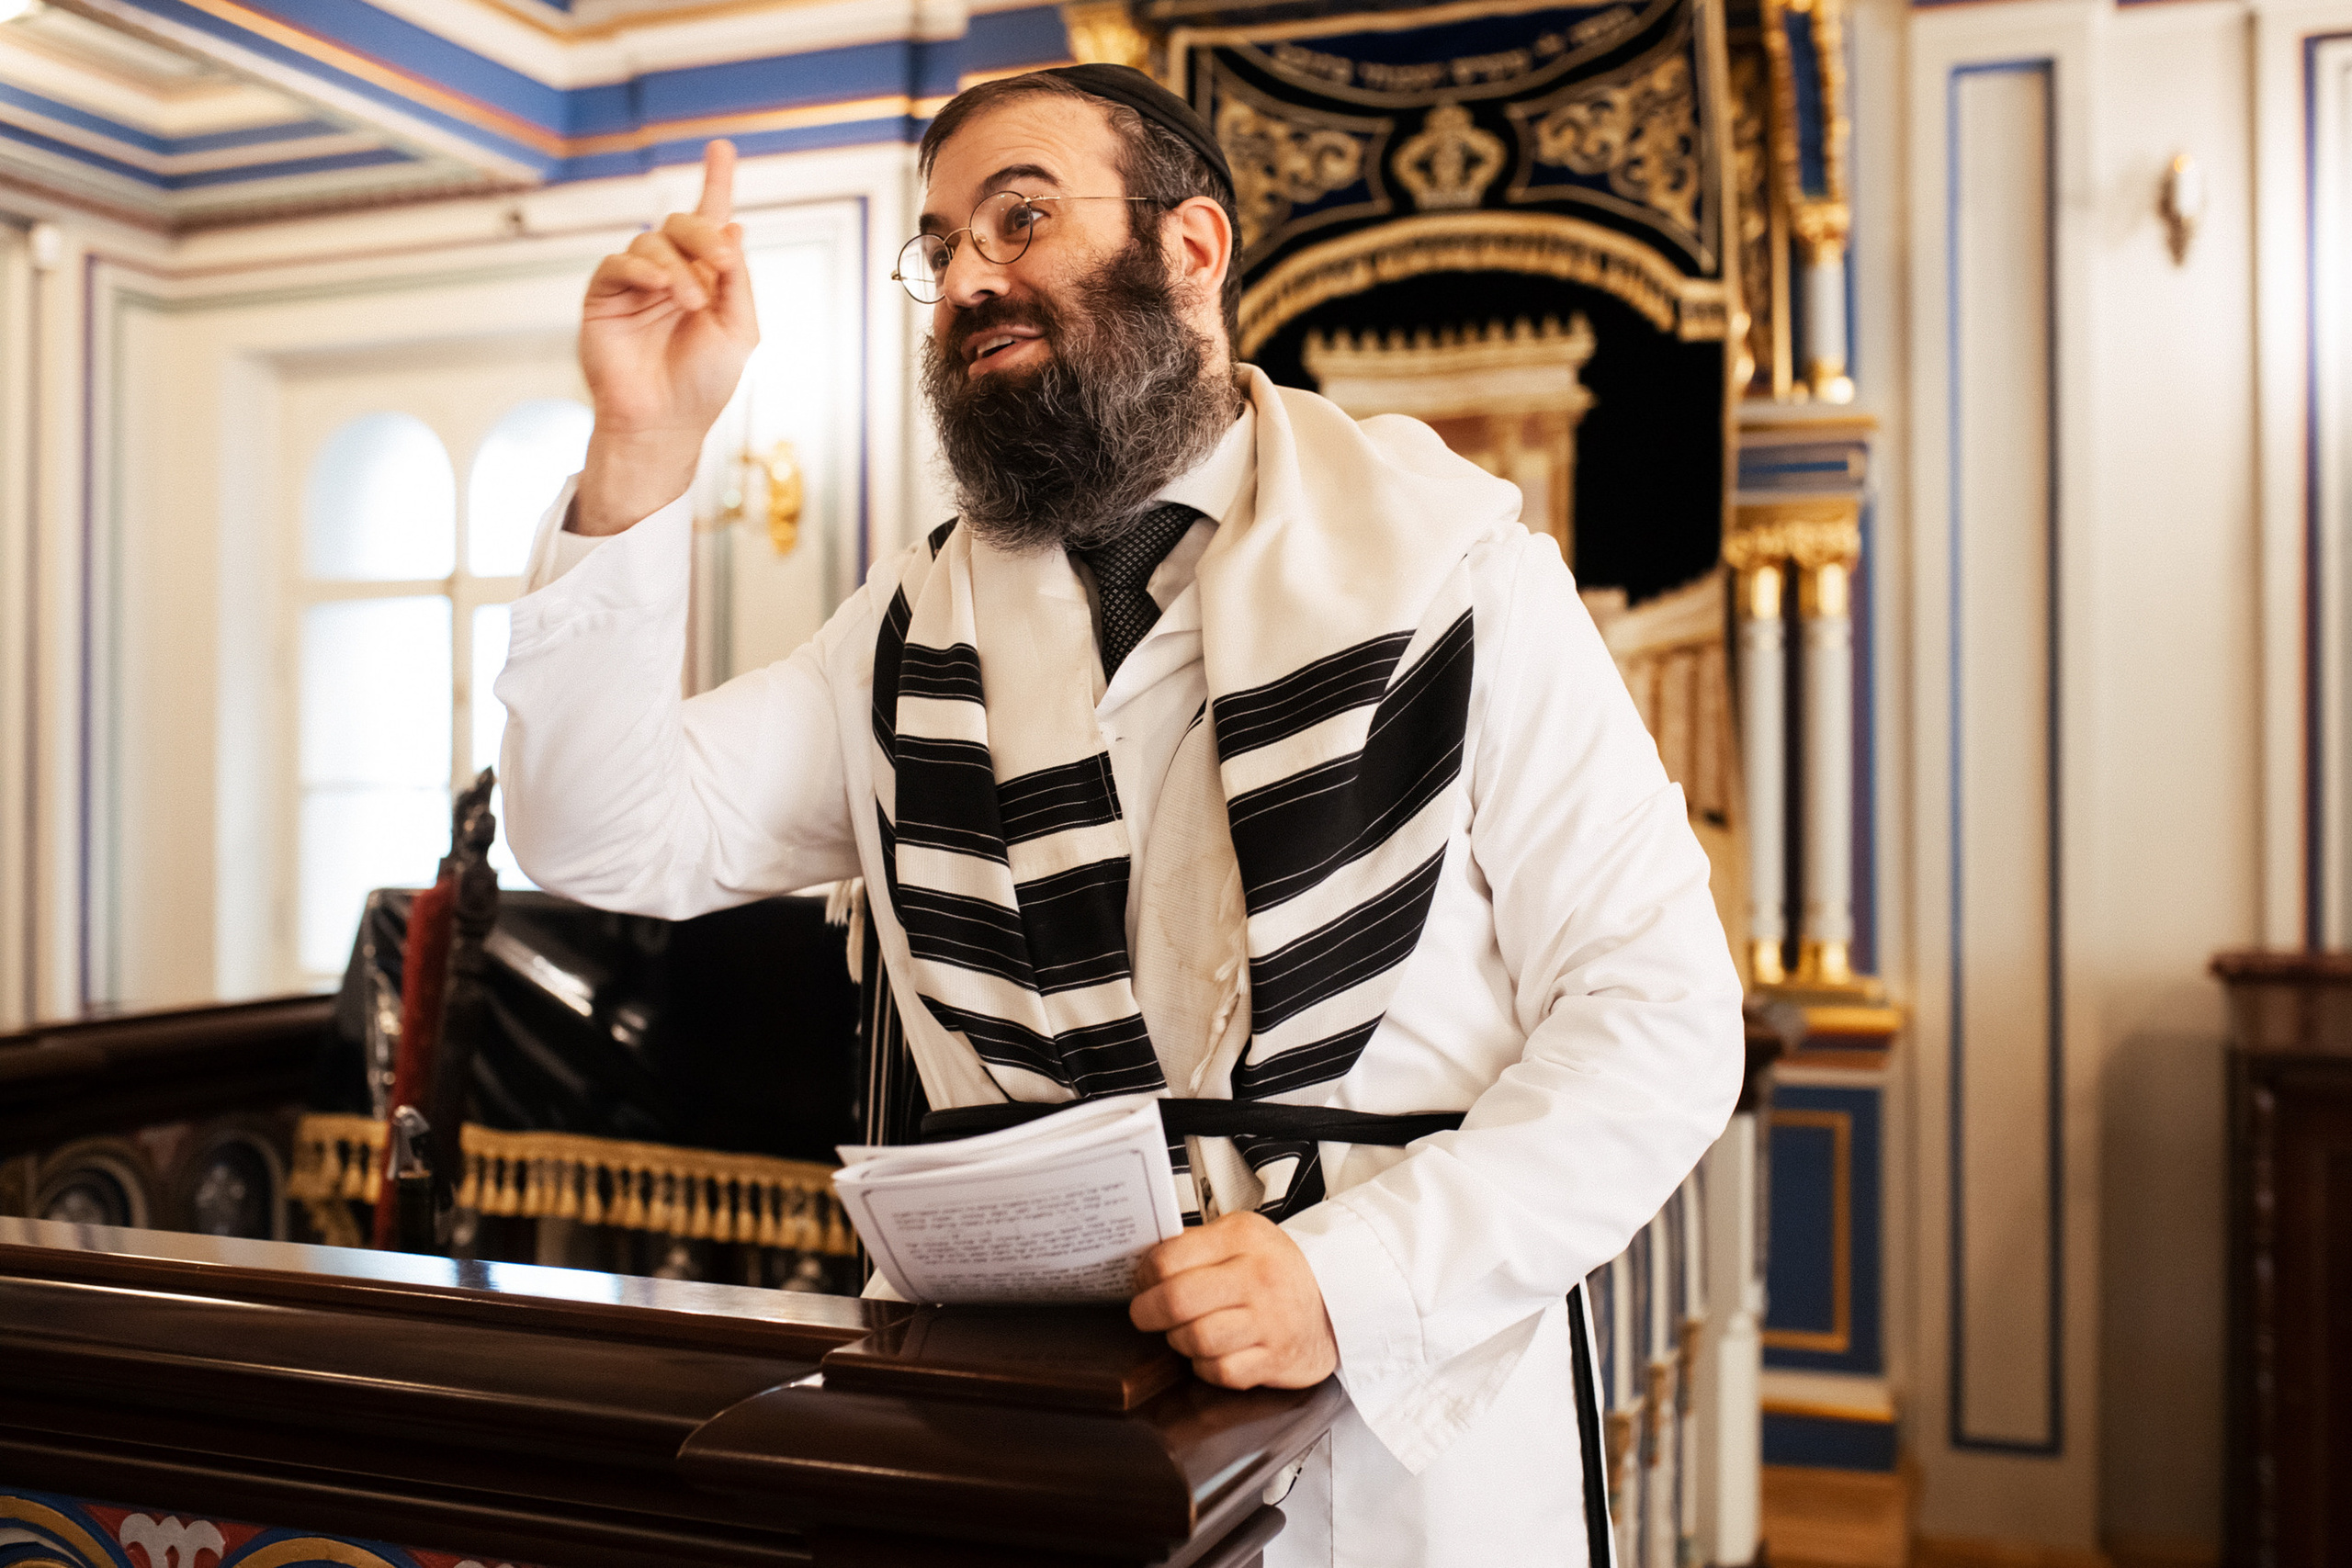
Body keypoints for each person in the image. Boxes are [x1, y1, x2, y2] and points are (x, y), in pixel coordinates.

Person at [495, 64, 1742, 1568]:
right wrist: (641, 449)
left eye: (1019, 218)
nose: (968, 277)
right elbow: (597, 833)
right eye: (943, 245)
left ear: (1191, 249)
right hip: (1038, 1431)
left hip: (1407, 1451)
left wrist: (1347, 1282)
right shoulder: (905, 629)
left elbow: (1660, 1017)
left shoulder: (1460, 575)